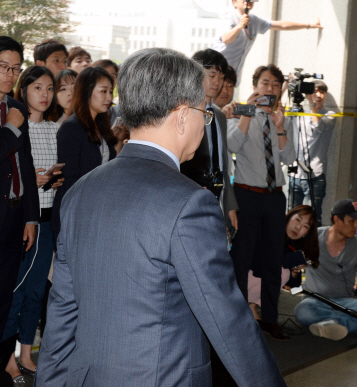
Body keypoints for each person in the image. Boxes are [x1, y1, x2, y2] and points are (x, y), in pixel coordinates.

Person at [35, 47, 285, 387]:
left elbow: (62, 312)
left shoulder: (81, 191)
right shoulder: (189, 203)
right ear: (182, 115)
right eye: (203, 113)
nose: (203, 122)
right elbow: (227, 321)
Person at [1, 66, 64, 382]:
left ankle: (26, 352)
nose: (45, 94)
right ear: (23, 90)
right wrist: (33, 180)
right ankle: (8, 356)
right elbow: (16, 172)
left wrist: (56, 179)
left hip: (48, 220)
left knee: (36, 292)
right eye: (37, 87)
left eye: (50, 88)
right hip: (23, 218)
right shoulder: (17, 126)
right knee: (12, 289)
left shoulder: (56, 129)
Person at [227, 63, 295, 341]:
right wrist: (246, 114)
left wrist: (280, 128)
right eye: (265, 83)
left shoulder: (283, 118)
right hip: (246, 194)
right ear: (255, 86)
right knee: (241, 259)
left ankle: (270, 319)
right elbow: (232, 146)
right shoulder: (238, 112)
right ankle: (243, 321)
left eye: (276, 85)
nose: (270, 89)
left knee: (272, 260)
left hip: (275, 197)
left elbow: (289, 158)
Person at [294, 199, 357, 340]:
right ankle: (356, 325)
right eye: (352, 221)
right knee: (302, 311)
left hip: (346, 302)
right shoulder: (313, 237)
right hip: (316, 301)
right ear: (337, 220)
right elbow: (289, 254)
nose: (356, 226)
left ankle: (332, 324)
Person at [0, 36, 39, 386]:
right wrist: (11, 127)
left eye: (15, 68)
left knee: (5, 297)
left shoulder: (15, 106)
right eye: (3, 66)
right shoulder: (13, 115)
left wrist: (31, 216)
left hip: (15, 219)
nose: (10, 74)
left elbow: (24, 166)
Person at [50, 67, 118, 239]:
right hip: (74, 215)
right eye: (103, 91)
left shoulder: (101, 126)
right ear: (86, 91)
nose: (109, 98)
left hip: (96, 212)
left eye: (110, 91)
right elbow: (71, 179)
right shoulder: (72, 127)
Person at [180, 49, 237, 226]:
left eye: (221, 77)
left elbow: (223, 162)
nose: (217, 82)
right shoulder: (184, 111)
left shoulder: (219, 115)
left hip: (217, 196)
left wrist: (230, 205)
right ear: (196, 74)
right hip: (189, 196)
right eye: (212, 75)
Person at [248, 205, 319, 339]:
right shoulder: (268, 230)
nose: (298, 228)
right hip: (238, 276)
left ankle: (252, 311)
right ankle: (244, 307)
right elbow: (256, 265)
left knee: (285, 272)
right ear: (289, 216)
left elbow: (294, 287)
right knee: (280, 270)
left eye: (305, 226)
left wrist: (295, 271)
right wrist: (283, 260)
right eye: (298, 220)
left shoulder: (293, 248)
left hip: (252, 281)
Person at [213, 0, 322, 85]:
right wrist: (239, 26)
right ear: (234, 2)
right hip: (216, 73)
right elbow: (226, 39)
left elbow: (282, 25)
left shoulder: (254, 20)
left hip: (232, 77)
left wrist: (309, 25)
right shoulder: (229, 19)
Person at [289, 80, 335, 225]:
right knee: (291, 217)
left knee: (314, 218)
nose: (318, 95)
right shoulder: (298, 112)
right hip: (294, 174)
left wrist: (311, 104)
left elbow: (319, 126)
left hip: (315, 175)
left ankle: (313, 247)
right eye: (315, 91)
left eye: (322, 92)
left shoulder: (330, 114)